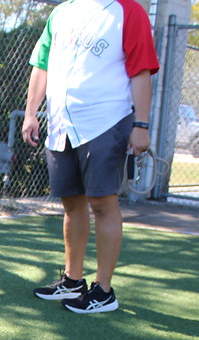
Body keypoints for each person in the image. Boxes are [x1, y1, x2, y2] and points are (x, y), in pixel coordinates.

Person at [22, 0, 159, 313]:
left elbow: (141, 71)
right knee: (71, 202)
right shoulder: (61, 13)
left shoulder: (128, 11)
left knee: (102, 203)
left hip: (105, 121)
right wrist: (31, 113)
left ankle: (104, 290)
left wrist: (141, 125)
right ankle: (73, 280)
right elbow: (41, 65)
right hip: (61, 124)